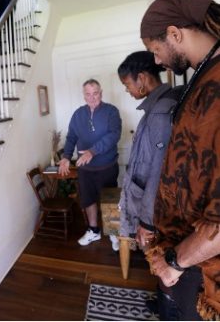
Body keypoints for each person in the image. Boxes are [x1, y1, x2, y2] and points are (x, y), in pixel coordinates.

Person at [140, 0, 220, 320]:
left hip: (200, 265)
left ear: (175, 34)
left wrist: (176, 261)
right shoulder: (203, 75)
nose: (157, 61)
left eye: (156, 51)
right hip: (185, 252)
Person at [118, 51, 182, 318]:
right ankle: (163, 300)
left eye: (128, 84)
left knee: (161, 257)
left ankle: (169, 307)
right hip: (149, 204)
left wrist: (146, 221)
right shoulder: (157, 106)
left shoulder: (160, 111)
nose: (128, 90)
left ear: (142, 78)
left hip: (152, 210)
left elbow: (158, 171)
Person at [58, 79, 122, 246]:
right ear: (84, 95)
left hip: (106, 166)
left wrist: (92, 151)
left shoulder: (111, 111)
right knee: (88, 200)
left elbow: (114, 135)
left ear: (101, 93)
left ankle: (114, 233)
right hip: (85, 169)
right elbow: (71, 137)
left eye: (95, 93)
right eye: (88, 94)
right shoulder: (78, 114)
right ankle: (93, 231)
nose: (92, 97)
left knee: (110, 200)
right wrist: (65, 157)